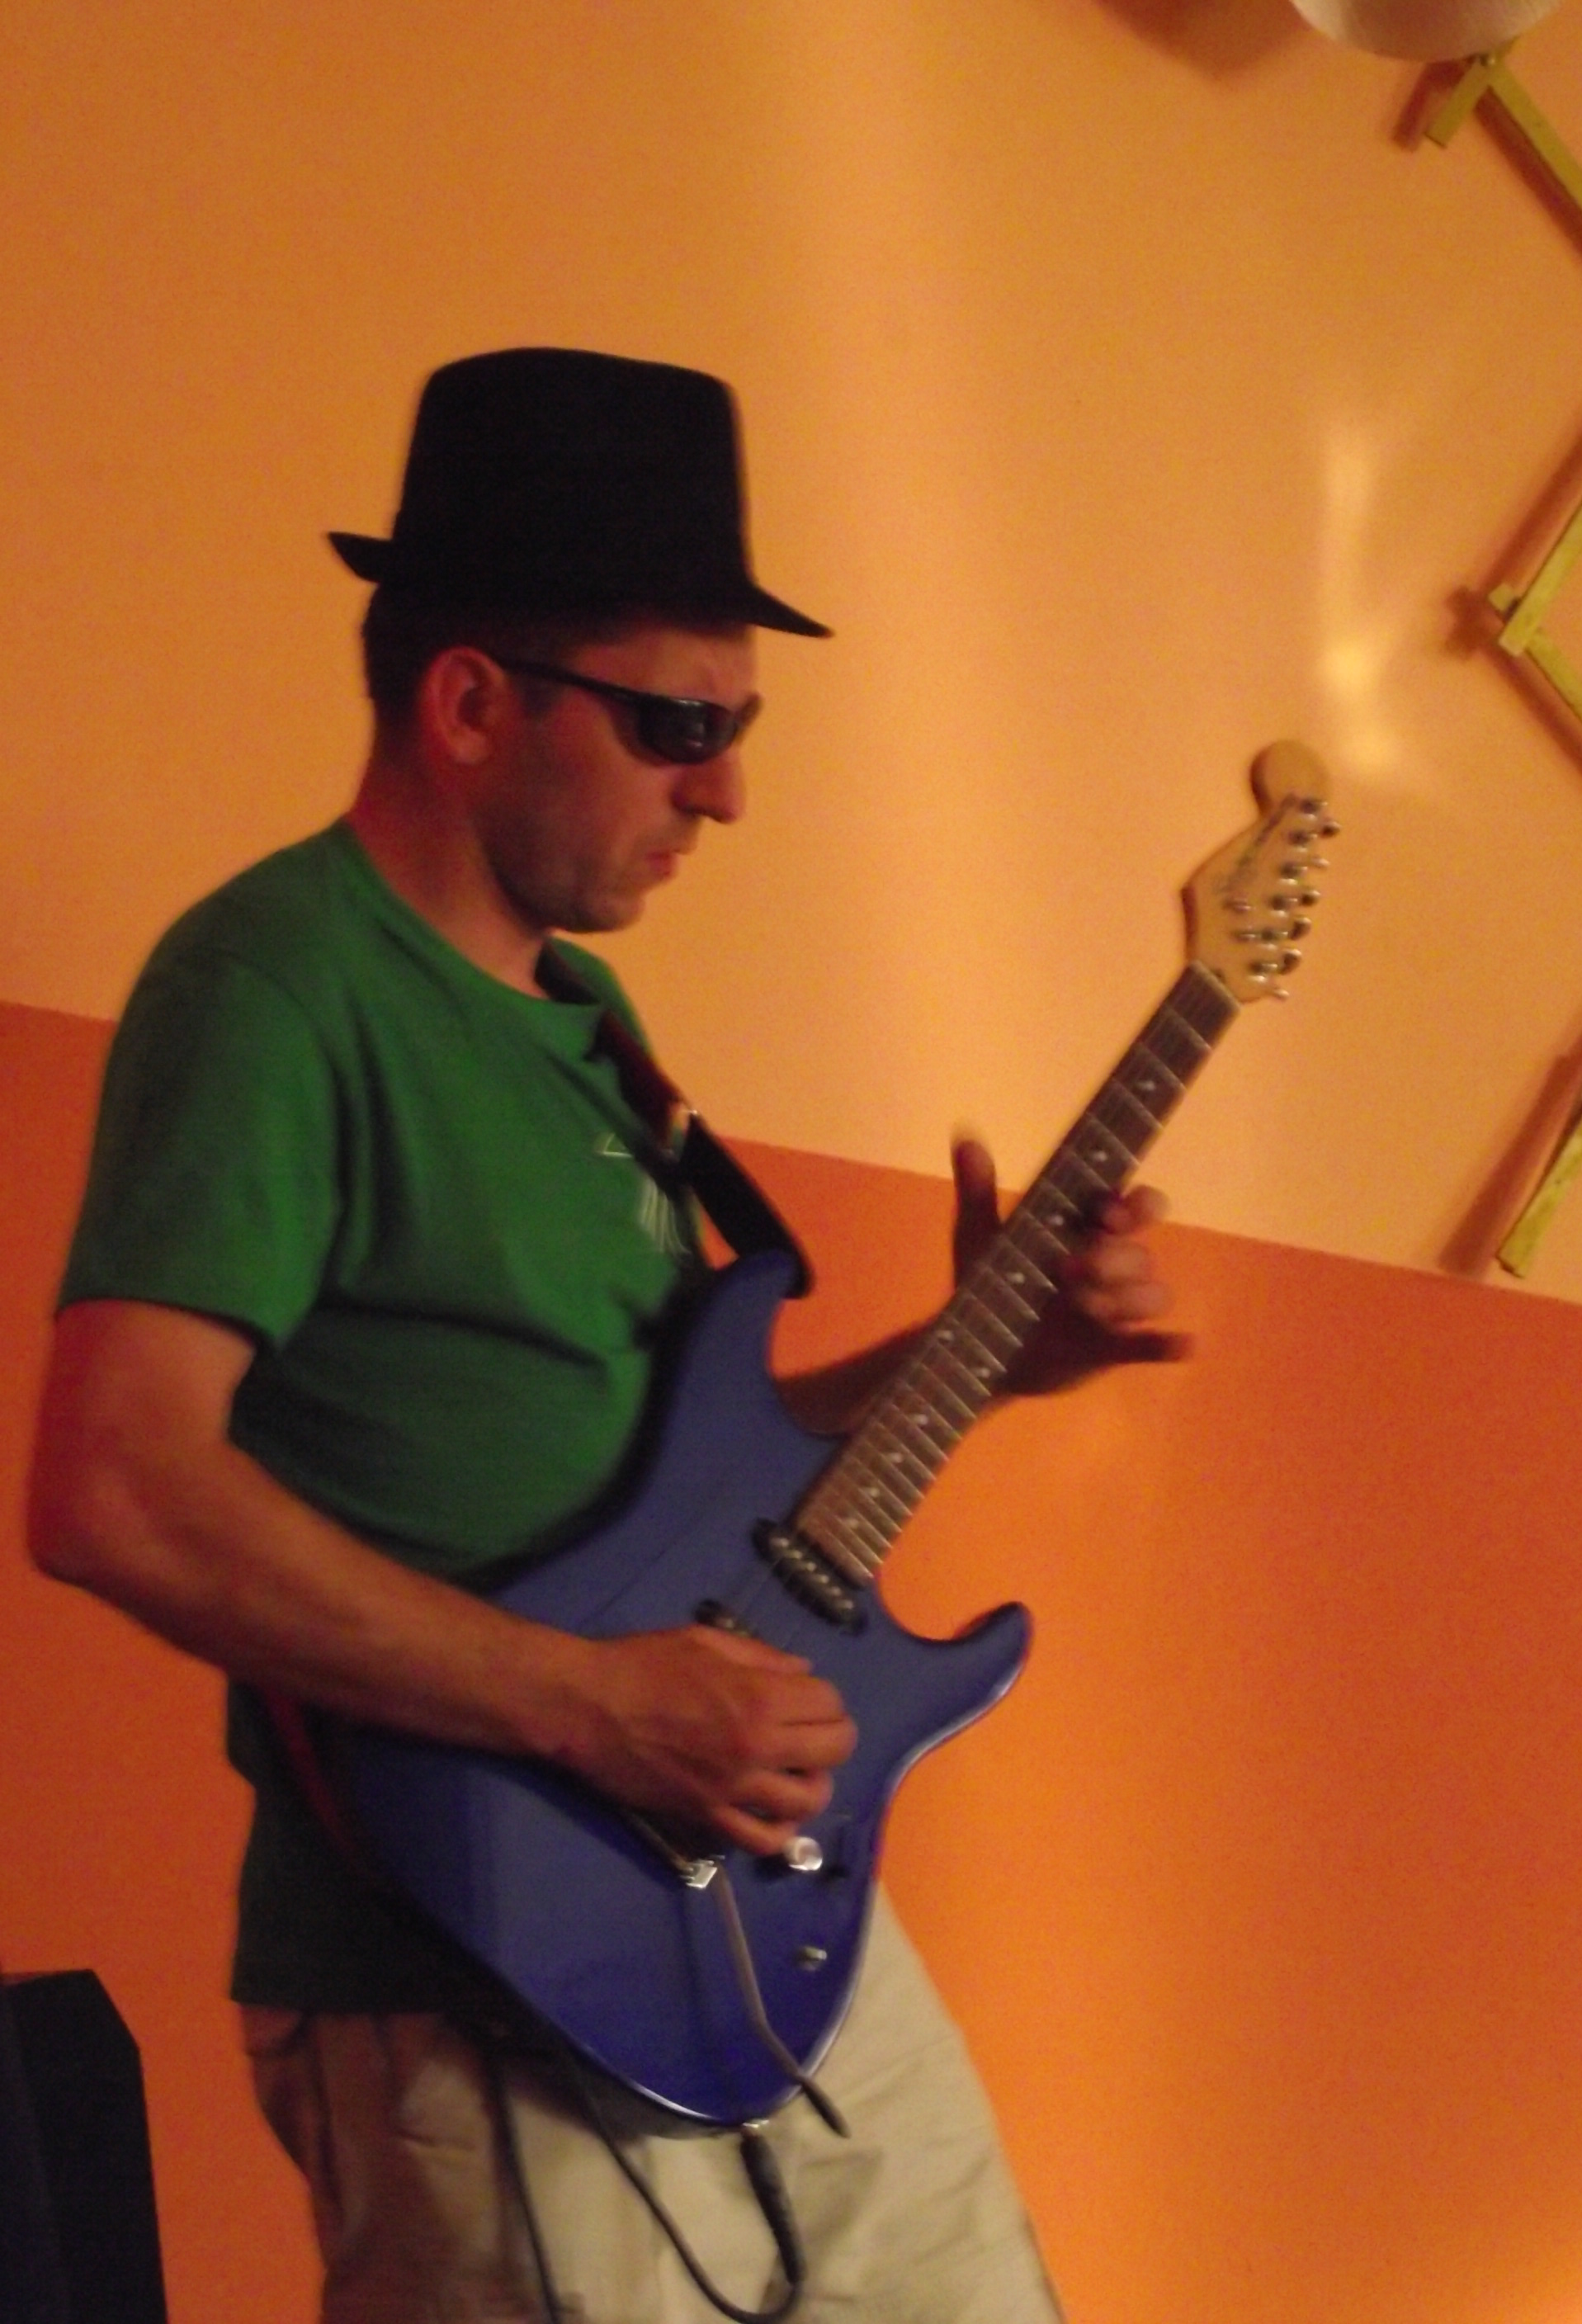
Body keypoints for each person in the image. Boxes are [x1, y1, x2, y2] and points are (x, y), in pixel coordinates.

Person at [27, 348, 1171, 2323]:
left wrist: (997, 1351)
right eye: (676, 724)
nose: (724, 790)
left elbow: (682, 1479)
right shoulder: (279, 983)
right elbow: (113, 1485)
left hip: (766, 1914)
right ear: (472, 701)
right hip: (473, 1950)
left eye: (739, 728)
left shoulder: (586, 1026)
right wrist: (590, 1706)